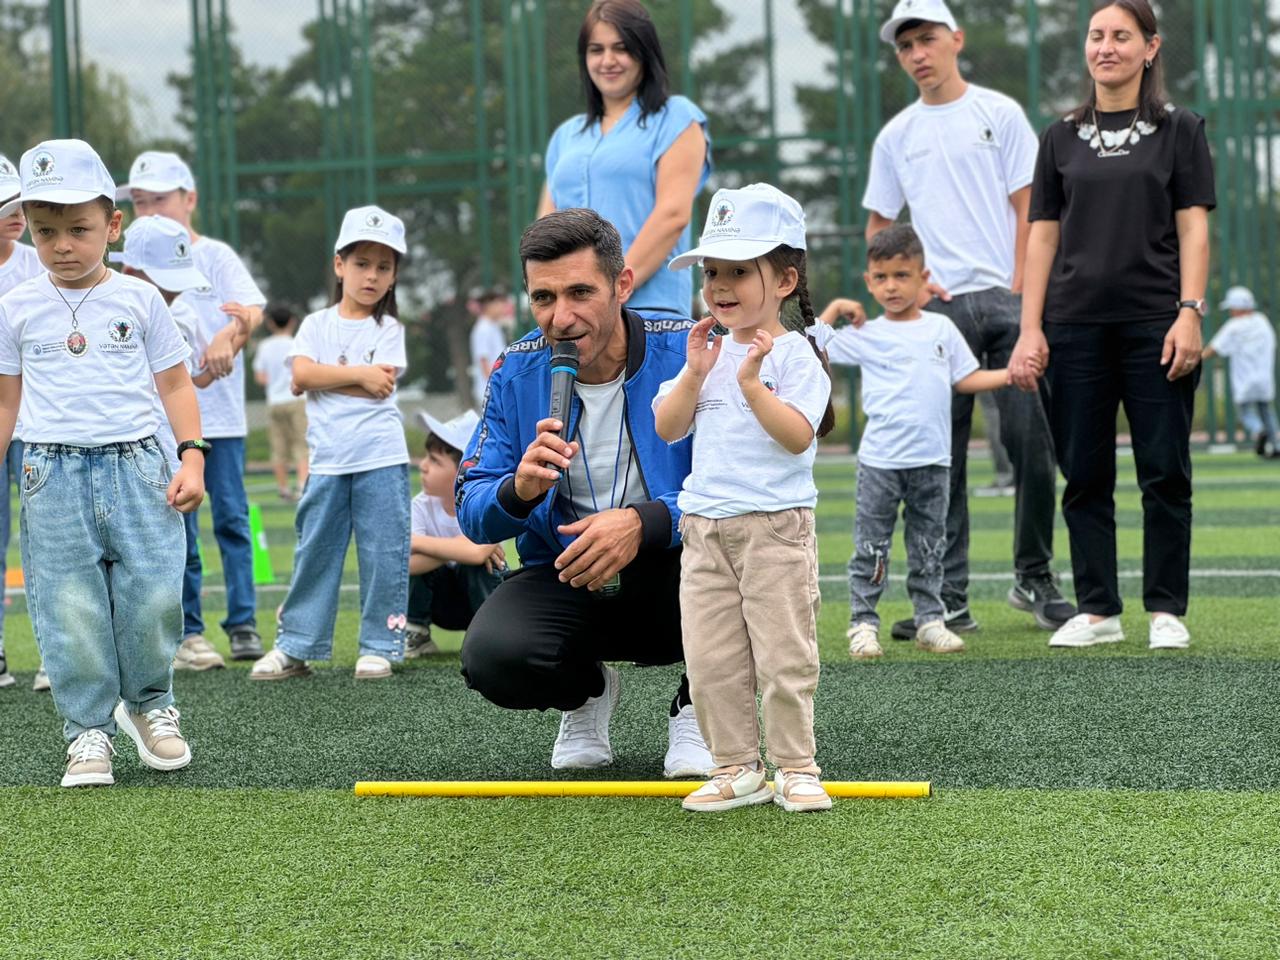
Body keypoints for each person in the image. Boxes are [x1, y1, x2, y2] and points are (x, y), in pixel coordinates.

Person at [457, 207, 712, 779]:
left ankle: (700, 705)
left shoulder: (688, 351)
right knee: (493, 657)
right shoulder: (515, 370)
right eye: (543, 298)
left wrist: (643, 522)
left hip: (687, 571)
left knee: (765, 563)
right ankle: (587, 691)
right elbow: (472, 509)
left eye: (580, 293)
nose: (561, 317)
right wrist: (517, 491)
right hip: (568, 570)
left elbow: (739, 489)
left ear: (622, 285)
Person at [0, 138, 207, 786]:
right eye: (46, 230)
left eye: (80, 229)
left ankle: (150, 705)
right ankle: (87, 729)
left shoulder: (140, 301)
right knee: (69, 607)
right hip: (49, 474)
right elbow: (7, 399)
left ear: (112, 226)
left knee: (151, 596)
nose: (62, 244)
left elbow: (176, 385)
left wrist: (192, 457)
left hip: (138, 468)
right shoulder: (14, 306)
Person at [1010, 0, 1215, 650]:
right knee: (1085, 473)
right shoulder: (1060, 136)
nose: (1107, 47)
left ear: (1150, 48)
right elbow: (1041, 237)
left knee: (1164, 468)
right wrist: (1030, 327)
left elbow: (1194, 228)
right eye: (1097, 35)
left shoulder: (1181, 129)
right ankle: (1098, 609)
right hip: (1073, 328)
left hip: (1159, 323)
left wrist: (1190, 312)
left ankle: (1165, 611)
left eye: (1122, 36)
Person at [865, 0, 1072, 638]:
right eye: (906, 47)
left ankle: (1033, 577)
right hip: (940, 312)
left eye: (927, 40)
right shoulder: (895, 135)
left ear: (955, 39)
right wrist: (907, 291)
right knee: (939, 459)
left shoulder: (999, 113)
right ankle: (946, 599)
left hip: (1009, 302)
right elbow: (879, 226)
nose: (917, 55)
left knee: (1032, 444)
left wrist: (1021, 288)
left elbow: (1031, 210)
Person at [654, 184, 834, 812]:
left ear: (785, 279)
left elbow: (796, 438)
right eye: (713, 273)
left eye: (739, 271)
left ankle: (795, 766)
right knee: (711, 660)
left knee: (785, 656)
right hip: (704, 529)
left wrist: (752, 383)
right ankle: (736, 767)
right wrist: (698, 372)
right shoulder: (704, 352)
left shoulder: (794, 356)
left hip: (775, 529)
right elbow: (669, 427)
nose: (722, 286)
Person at [819, 225, 1013, 661]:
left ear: (923, 277)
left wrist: (1010, 374)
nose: (892, 286)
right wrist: (832, 310)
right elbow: (806, 345)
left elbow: (966, 378)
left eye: (902, 275)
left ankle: (930, 620)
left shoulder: (941, 329)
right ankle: (863, 624)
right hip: (880, 465)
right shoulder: (865, 333)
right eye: (882, 277)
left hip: (933, 462)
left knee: (930, 545)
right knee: (872, 546)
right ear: (869, 282)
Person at [251, 205, 411, 682]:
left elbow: (381, 385)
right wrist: (356, 374)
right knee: (315, 551)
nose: (372, 275)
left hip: (381, 457)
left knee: (384, 553)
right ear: (339, 265)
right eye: (362, 263)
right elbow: (299, 374)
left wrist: (324, 378)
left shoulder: (391, 329)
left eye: (384, 267)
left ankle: (381, 643)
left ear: (394, 275)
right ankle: (295, 645)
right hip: (327, 461)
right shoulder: (316, 324)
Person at [121, 150, 267, 663]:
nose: (150, 208)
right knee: (175, 526)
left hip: (219, 418)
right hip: (156, 426)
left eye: (159, 198)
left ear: (190, 198)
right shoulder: (133, 271)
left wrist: (232, 334)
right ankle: (188, 630)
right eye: (139, 201)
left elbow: (249, 310)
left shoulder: (216, 255)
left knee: (231, 519)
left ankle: (243, 622)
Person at [538, 0, 710, 319]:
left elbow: (673, 215)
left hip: (650, 315)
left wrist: (609, 293)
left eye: (622, 48)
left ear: (644, 52)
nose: (608, 60)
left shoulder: (677, 118)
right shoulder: (566, 135)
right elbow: (545, 229)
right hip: (572, 322)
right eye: (596, 49)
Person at [405, 409, 505, 658]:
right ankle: (416, 631)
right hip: (440, 606)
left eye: (435, 461)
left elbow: (476, 554)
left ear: (464, 471)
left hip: (481, 602)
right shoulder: (419, 506)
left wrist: (416, 541)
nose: (424, 467)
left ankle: (490, 635)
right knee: (465, 560)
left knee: (482, 566)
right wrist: (462, 549)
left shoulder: (483, 502)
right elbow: (405, 565)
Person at [0, 152, 44, 690]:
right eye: (5, 205)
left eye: (19, 203)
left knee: (45, 536)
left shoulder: (40, 262)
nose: (17, 213)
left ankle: (55, 654)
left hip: (36, 420)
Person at [1203, 287, 1278, 459]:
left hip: (1245, 378)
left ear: (1237, 307)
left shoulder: (1233, 326)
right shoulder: (1262, 321)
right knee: (1267, 411)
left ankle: (1258, 431)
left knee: (1245, 412)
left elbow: (1215, 348)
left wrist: (1196, 359)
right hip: (1264, 378)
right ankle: (1276, 446)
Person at [253, 304, 310, 499]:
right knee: (301, 444)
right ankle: (302, 486)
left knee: (279, 446)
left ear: (270, 323)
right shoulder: (297, 344)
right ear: (292, 322)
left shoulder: (264, 346)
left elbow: (260, 377)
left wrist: (275, 380)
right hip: (297, 400)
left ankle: (283, 488)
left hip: (274, 401)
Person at [468, 289, 513, 409]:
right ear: (489, 305)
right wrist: (495, 387)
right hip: (489, 392)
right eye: (499, 303)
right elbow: (484, 362)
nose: (503, 307)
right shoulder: (483, 329)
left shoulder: (494, 326)